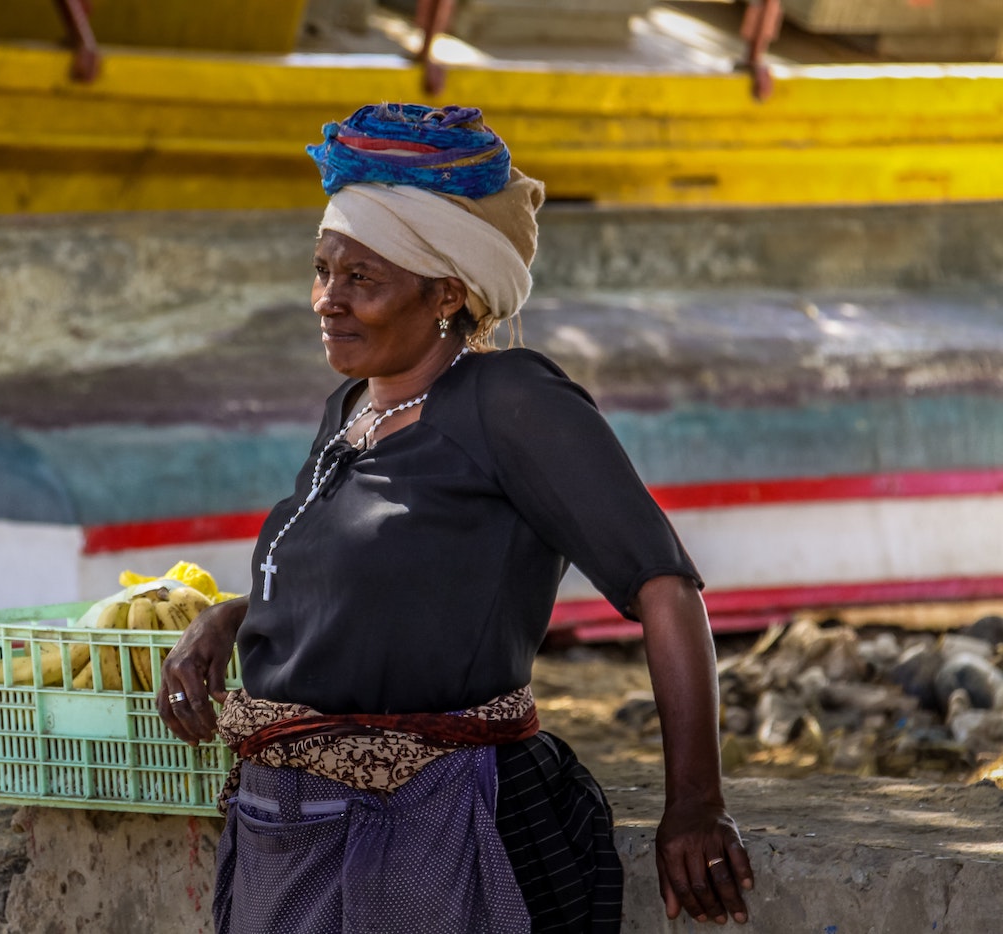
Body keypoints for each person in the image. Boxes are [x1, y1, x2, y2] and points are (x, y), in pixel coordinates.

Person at [157, 102, 754, 933]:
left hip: (434, 832)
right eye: (323, 269)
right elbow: (369, 585)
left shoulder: (510, 401)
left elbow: (664, 586)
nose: (328, 300)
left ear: (445, 294)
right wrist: (226, 621)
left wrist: (694, 804)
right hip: (288, 837)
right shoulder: (350, 409)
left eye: (361, 279)